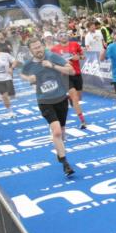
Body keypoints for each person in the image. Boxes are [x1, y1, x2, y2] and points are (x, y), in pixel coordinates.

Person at [20, 38, 76, 178]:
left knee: (62, 132)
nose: (38, 50)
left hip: (61, 99)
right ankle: (65, 163)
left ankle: (60, 152)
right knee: (56, 131)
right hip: (44, 101)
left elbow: (71, 71)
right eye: (35, 48)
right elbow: (22, 73)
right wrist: (29, 79)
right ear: (31, 50)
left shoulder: (52, 56)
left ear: (43, 46)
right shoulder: (28, 64)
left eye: (39, 47)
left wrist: (53, 66)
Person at [51, 31, 87, 128]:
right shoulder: (54, 49)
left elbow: (83, 56)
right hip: (65, 75)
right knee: (75, 98)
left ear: (68, 36)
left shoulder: (75, 44)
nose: (63, 37)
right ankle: (83, 121)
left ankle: (69, 99)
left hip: (76, 74)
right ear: (58, 38)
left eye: (65, 35)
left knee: (78, 98)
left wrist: (78, 57)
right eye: (61, 36)